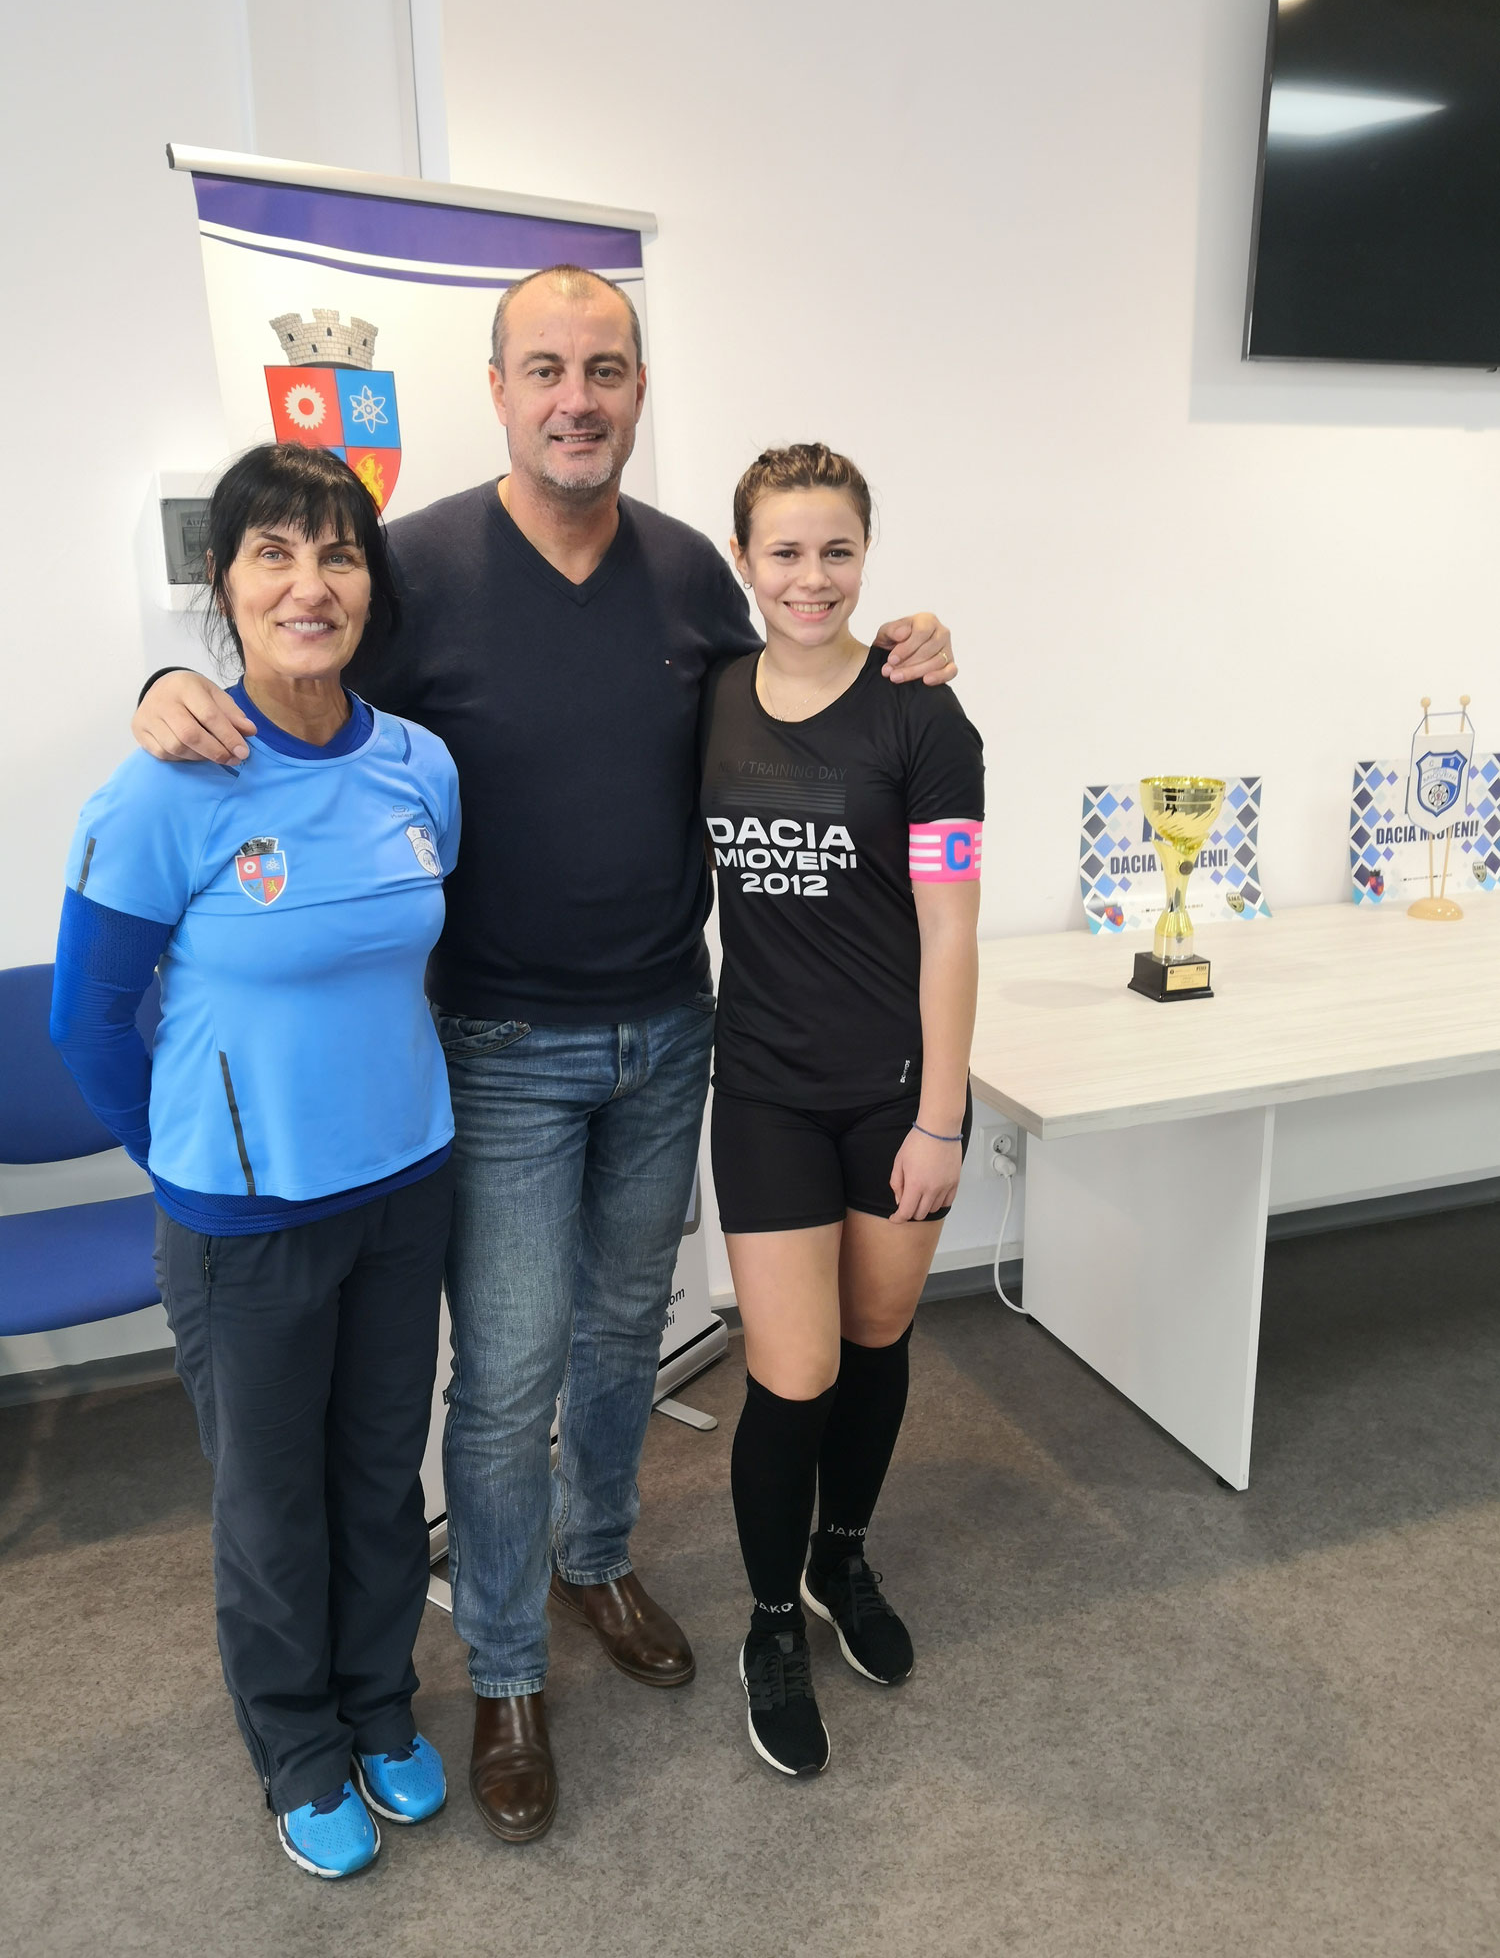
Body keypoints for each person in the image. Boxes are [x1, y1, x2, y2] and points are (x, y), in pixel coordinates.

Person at [130, 265, 960, 1842]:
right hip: (499, 1043)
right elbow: (286, 691)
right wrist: (165, 684)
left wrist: (906, 632)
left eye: (607, 369)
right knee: (503, 1380)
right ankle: (505, 1664)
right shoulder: (418, 565)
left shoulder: (692, 581)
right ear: (498, 385)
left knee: (618, 1344)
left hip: (671, 1031)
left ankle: (593, 1565)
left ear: (639, 392)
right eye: (546, 370)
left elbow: (804, 658)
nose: (577, 397)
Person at [53, 443, 460, 1877]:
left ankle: (378, 1703)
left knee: (372, 1478)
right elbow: (88, 1015)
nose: (310, 582)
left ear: (369, 582)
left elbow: (411, 951)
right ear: (224, 587)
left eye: (338, 552)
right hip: (244, 1220)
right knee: (271, 1503)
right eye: (274, 553)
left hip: (406, 1190)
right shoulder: (171, 782)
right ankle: (295, 1743)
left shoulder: (421, 765)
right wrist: (181, 1163)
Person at [702, 443, 983, 1777]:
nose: (810, 578)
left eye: (836, 551)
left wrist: (940, 1115)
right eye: (784, 552)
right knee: (791, 1370)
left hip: (894, 1098)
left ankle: (840, 1562)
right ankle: (768, 1622)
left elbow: (951, 927)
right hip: (760, 1086)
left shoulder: (928, 719)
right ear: (745, 560)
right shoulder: (708, 700)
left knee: (876, 1340)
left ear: (866, 554)